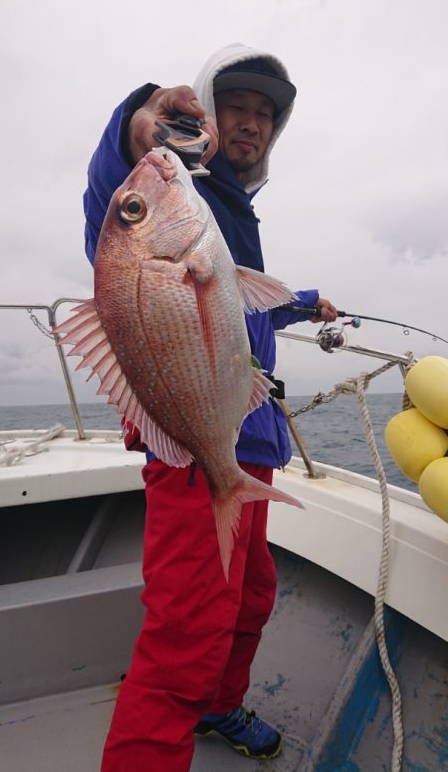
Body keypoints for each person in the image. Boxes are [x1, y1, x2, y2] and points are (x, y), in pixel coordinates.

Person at [84, 42, 337, 772]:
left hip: (245, 448)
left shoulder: (224, 216)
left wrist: (299, 302)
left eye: (265, 114)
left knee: (252, 599)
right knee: (183, 641)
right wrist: (139, 126)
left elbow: (237, 307)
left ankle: (219, 705)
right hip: (194, 450)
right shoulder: (175, 188)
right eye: (237, 107)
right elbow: (113, 193)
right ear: (205, 112)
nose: (252, 123)